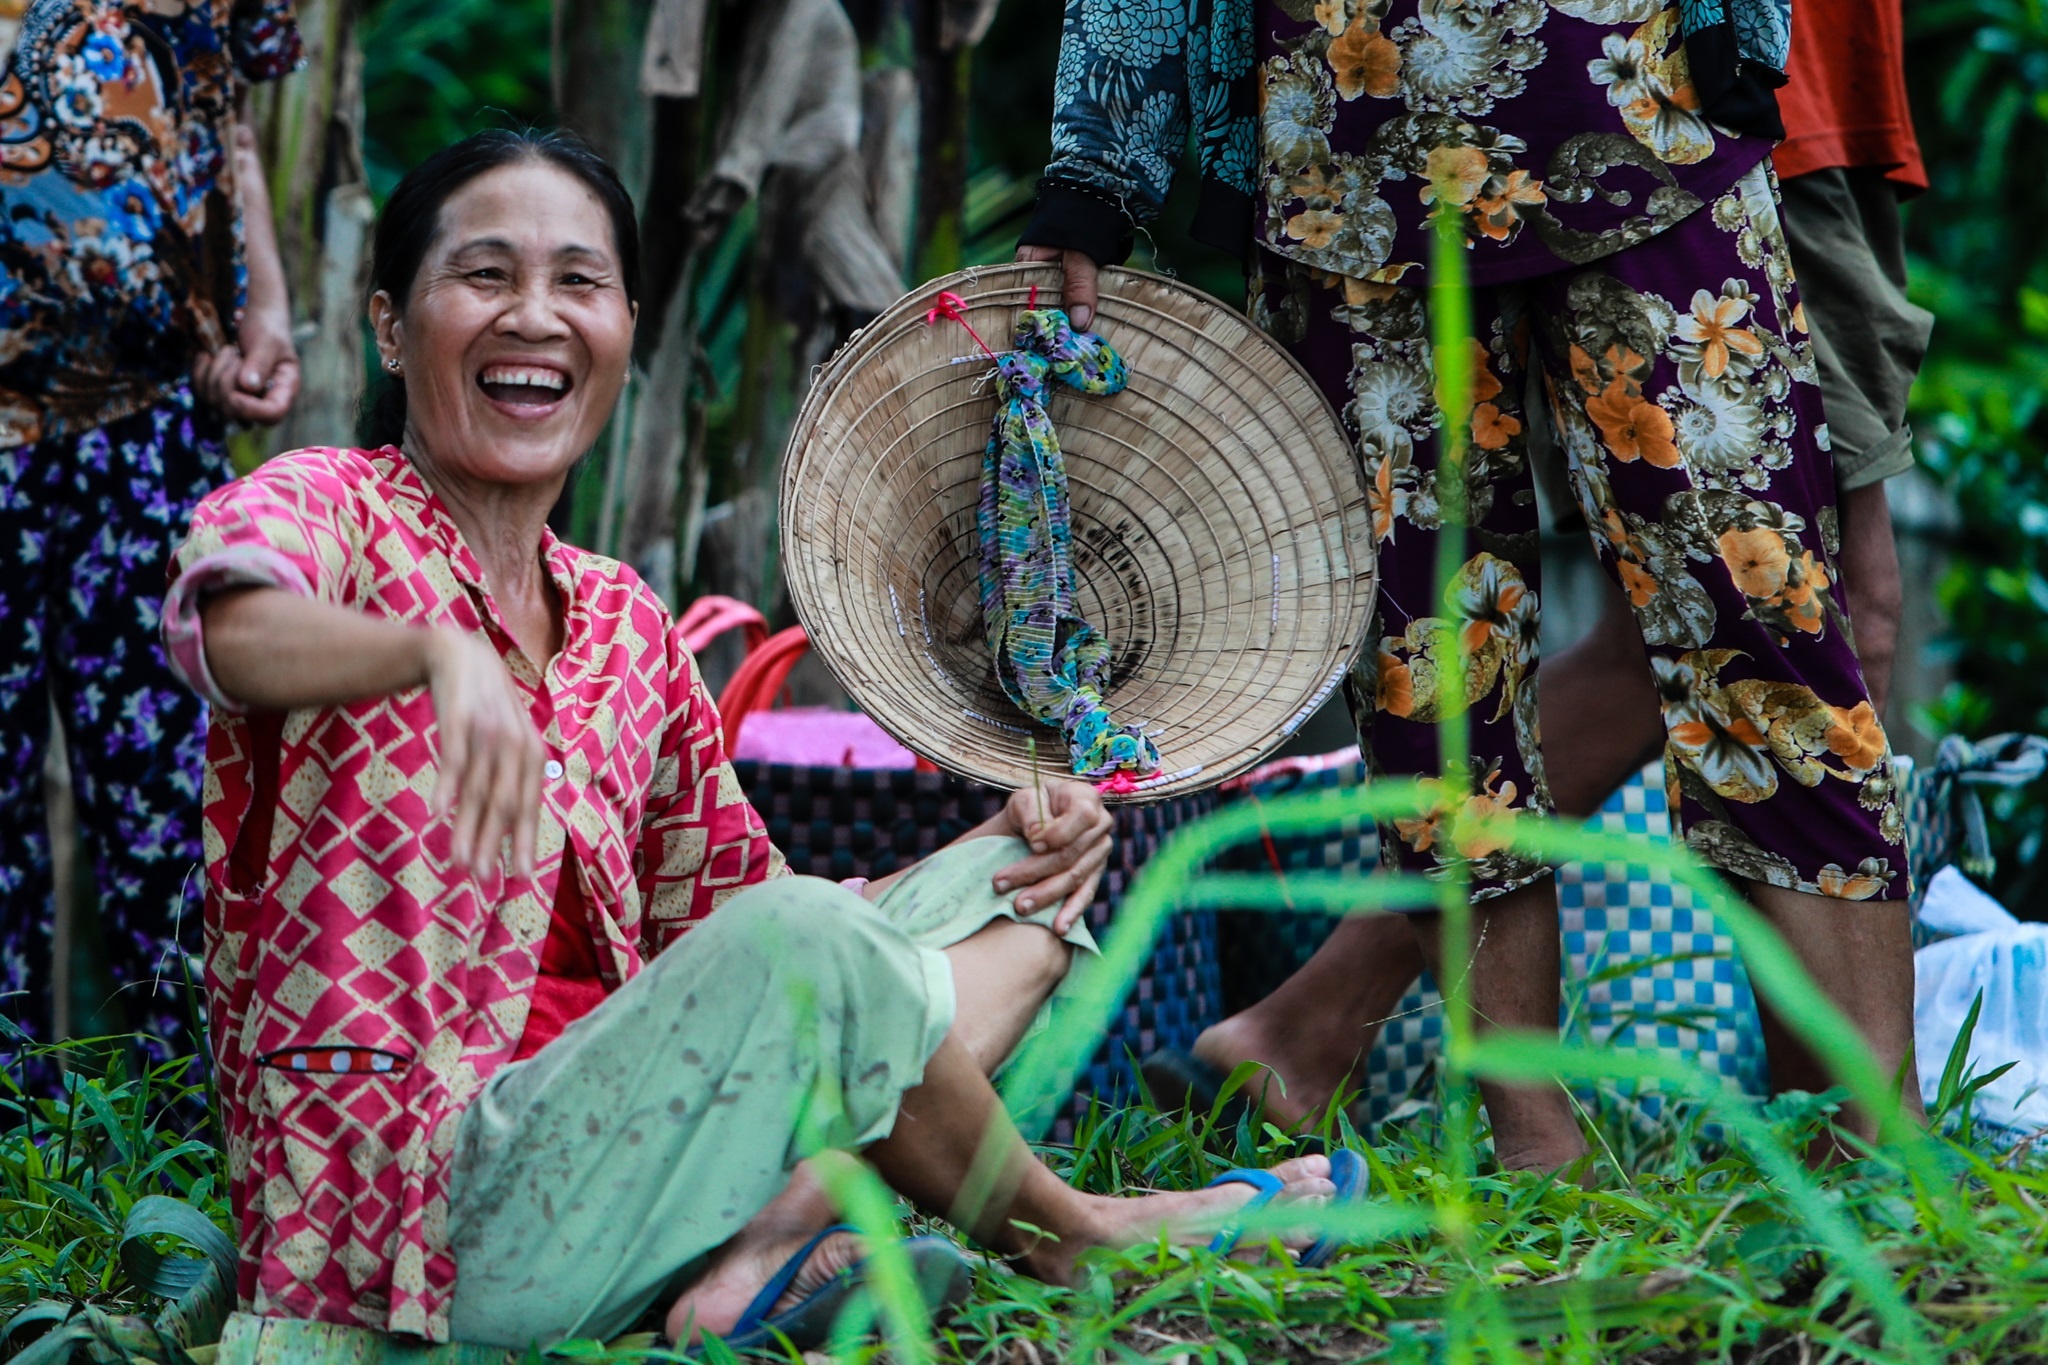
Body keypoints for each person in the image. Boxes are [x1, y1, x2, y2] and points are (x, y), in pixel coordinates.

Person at [160, 129, 1347, 1352]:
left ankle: (754, 1256)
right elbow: (223, 623)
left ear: (624, 321)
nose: (534, 316)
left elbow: (747, 919)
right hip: (426, 1238)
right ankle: (1076, 1234)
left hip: (636, 1172)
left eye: (577, 281)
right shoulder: (328, 506)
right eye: (483, 276)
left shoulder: (622, 620)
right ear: (389, 327)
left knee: (1015, 896)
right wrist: (425, 654)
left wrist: (994, 846)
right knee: (814, 950)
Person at [1021, 0, 1921, 1167]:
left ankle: (1877, 1162)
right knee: (1428, 676)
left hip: (1639, 112)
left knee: (1769, 630)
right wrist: (1096, 164)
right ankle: (1535, 1148)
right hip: (1347, 152)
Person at [0, 0, 303, 1083]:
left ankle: (183, 1182)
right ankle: (18, 1199)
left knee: (173, 827)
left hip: (145, 421)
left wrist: (261, 303)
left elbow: (221, 107)